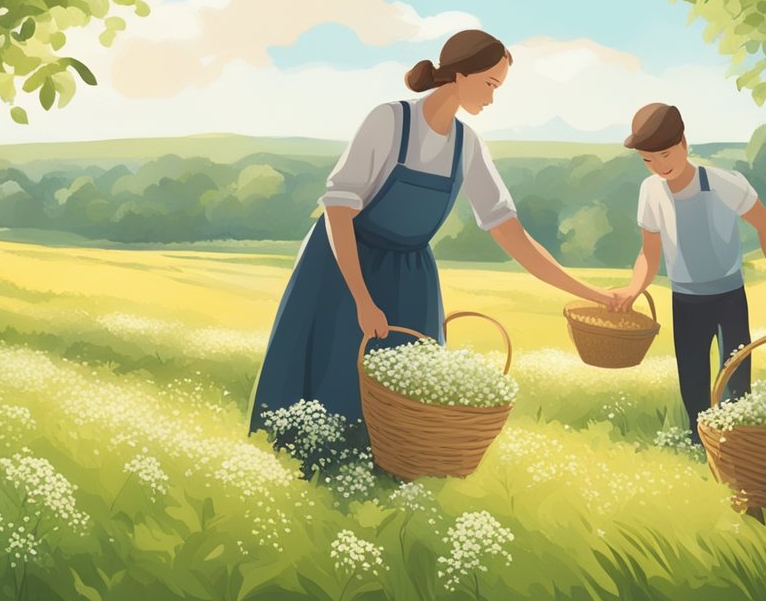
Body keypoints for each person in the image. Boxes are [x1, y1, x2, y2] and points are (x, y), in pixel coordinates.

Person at [248, 29, 618, 434]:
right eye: (490, 84)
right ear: (460, 74)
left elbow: (511, 233)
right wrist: (362, 299)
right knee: (330, 378)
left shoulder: (468, 145)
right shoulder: (389, 121)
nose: (492, 98)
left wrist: (594, 295)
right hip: (345, 264)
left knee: (409, 399)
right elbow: (339, 211)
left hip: (410, 277)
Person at [610, 103, 766, 443]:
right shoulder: (651, 192)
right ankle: (703, 452)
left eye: (666, 154)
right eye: (648, 160)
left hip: (728, 299)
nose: (659, 167)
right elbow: (649, 252)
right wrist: (633, 288)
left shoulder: (723, 183)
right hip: (684, 301)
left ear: (684, 143)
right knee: (694, 389)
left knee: (737, 387)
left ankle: (739, 451)